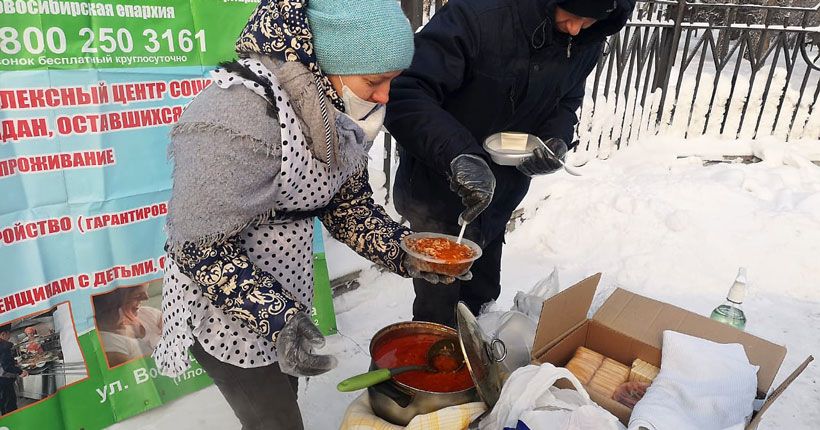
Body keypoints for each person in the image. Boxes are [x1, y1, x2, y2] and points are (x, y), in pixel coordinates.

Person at [152, 1, 459, 429]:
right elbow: (198, 245)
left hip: (285, 292)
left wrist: (406, 254)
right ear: (329, 62)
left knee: (284, 399)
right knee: (274, 423)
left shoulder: (330, 109)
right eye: (375, 81)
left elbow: (346, 205)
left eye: (394, 80)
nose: (386, 96)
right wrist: (276, 317)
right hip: (224, 305)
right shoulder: (239, 114)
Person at [385, 0, 635, 326]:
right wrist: (458, 154)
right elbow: (405, 92)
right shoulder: (478, 16)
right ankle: (430, 363)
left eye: (588, 20)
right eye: (571, 16)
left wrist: (554, 139)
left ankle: (475, 361)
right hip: (441, 190)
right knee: (439, 311)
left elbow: (566, 100)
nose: (575, 28)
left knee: (483, 296)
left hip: (502, 194)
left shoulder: (587, 37)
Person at [95, 283, 162, 367]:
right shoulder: (110, 341)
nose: (146, 297)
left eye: (145, 291)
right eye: (137, 295)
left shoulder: (147, 313)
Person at [0, 325, 26, 415]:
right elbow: (6, 366)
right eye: (8, 334)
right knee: (10, 405)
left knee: (3, 404)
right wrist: (21, 371)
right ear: (3, 334)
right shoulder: (4, 345)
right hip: (4, 381)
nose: (9, 337)